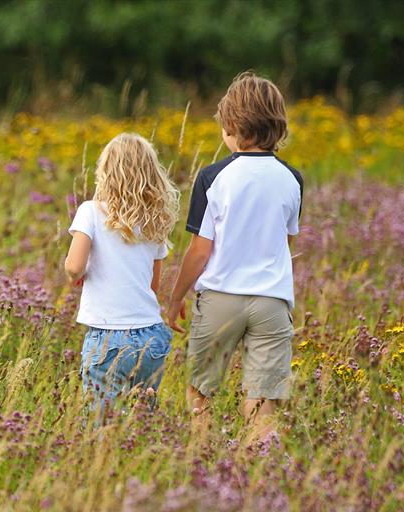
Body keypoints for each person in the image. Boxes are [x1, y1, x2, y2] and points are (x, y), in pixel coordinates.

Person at [165, 71, 302, 443]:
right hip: (272, 302)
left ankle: (202, 462)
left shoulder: (213, 177)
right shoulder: (292, 179)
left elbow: (200, 250)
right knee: (263, 400)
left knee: (200, 392)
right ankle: (261, 470)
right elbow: (285, 244)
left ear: (231, 126)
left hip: (221, 298)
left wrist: (175, 297)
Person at [65, 133, 180, 421]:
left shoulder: (90, 211)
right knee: (141, 423)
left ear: (105, 171)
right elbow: (152, 286)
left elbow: (73, 266)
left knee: (100, 426)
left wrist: (82, 273)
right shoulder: (155, 220)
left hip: (108, 337)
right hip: (151, 336)